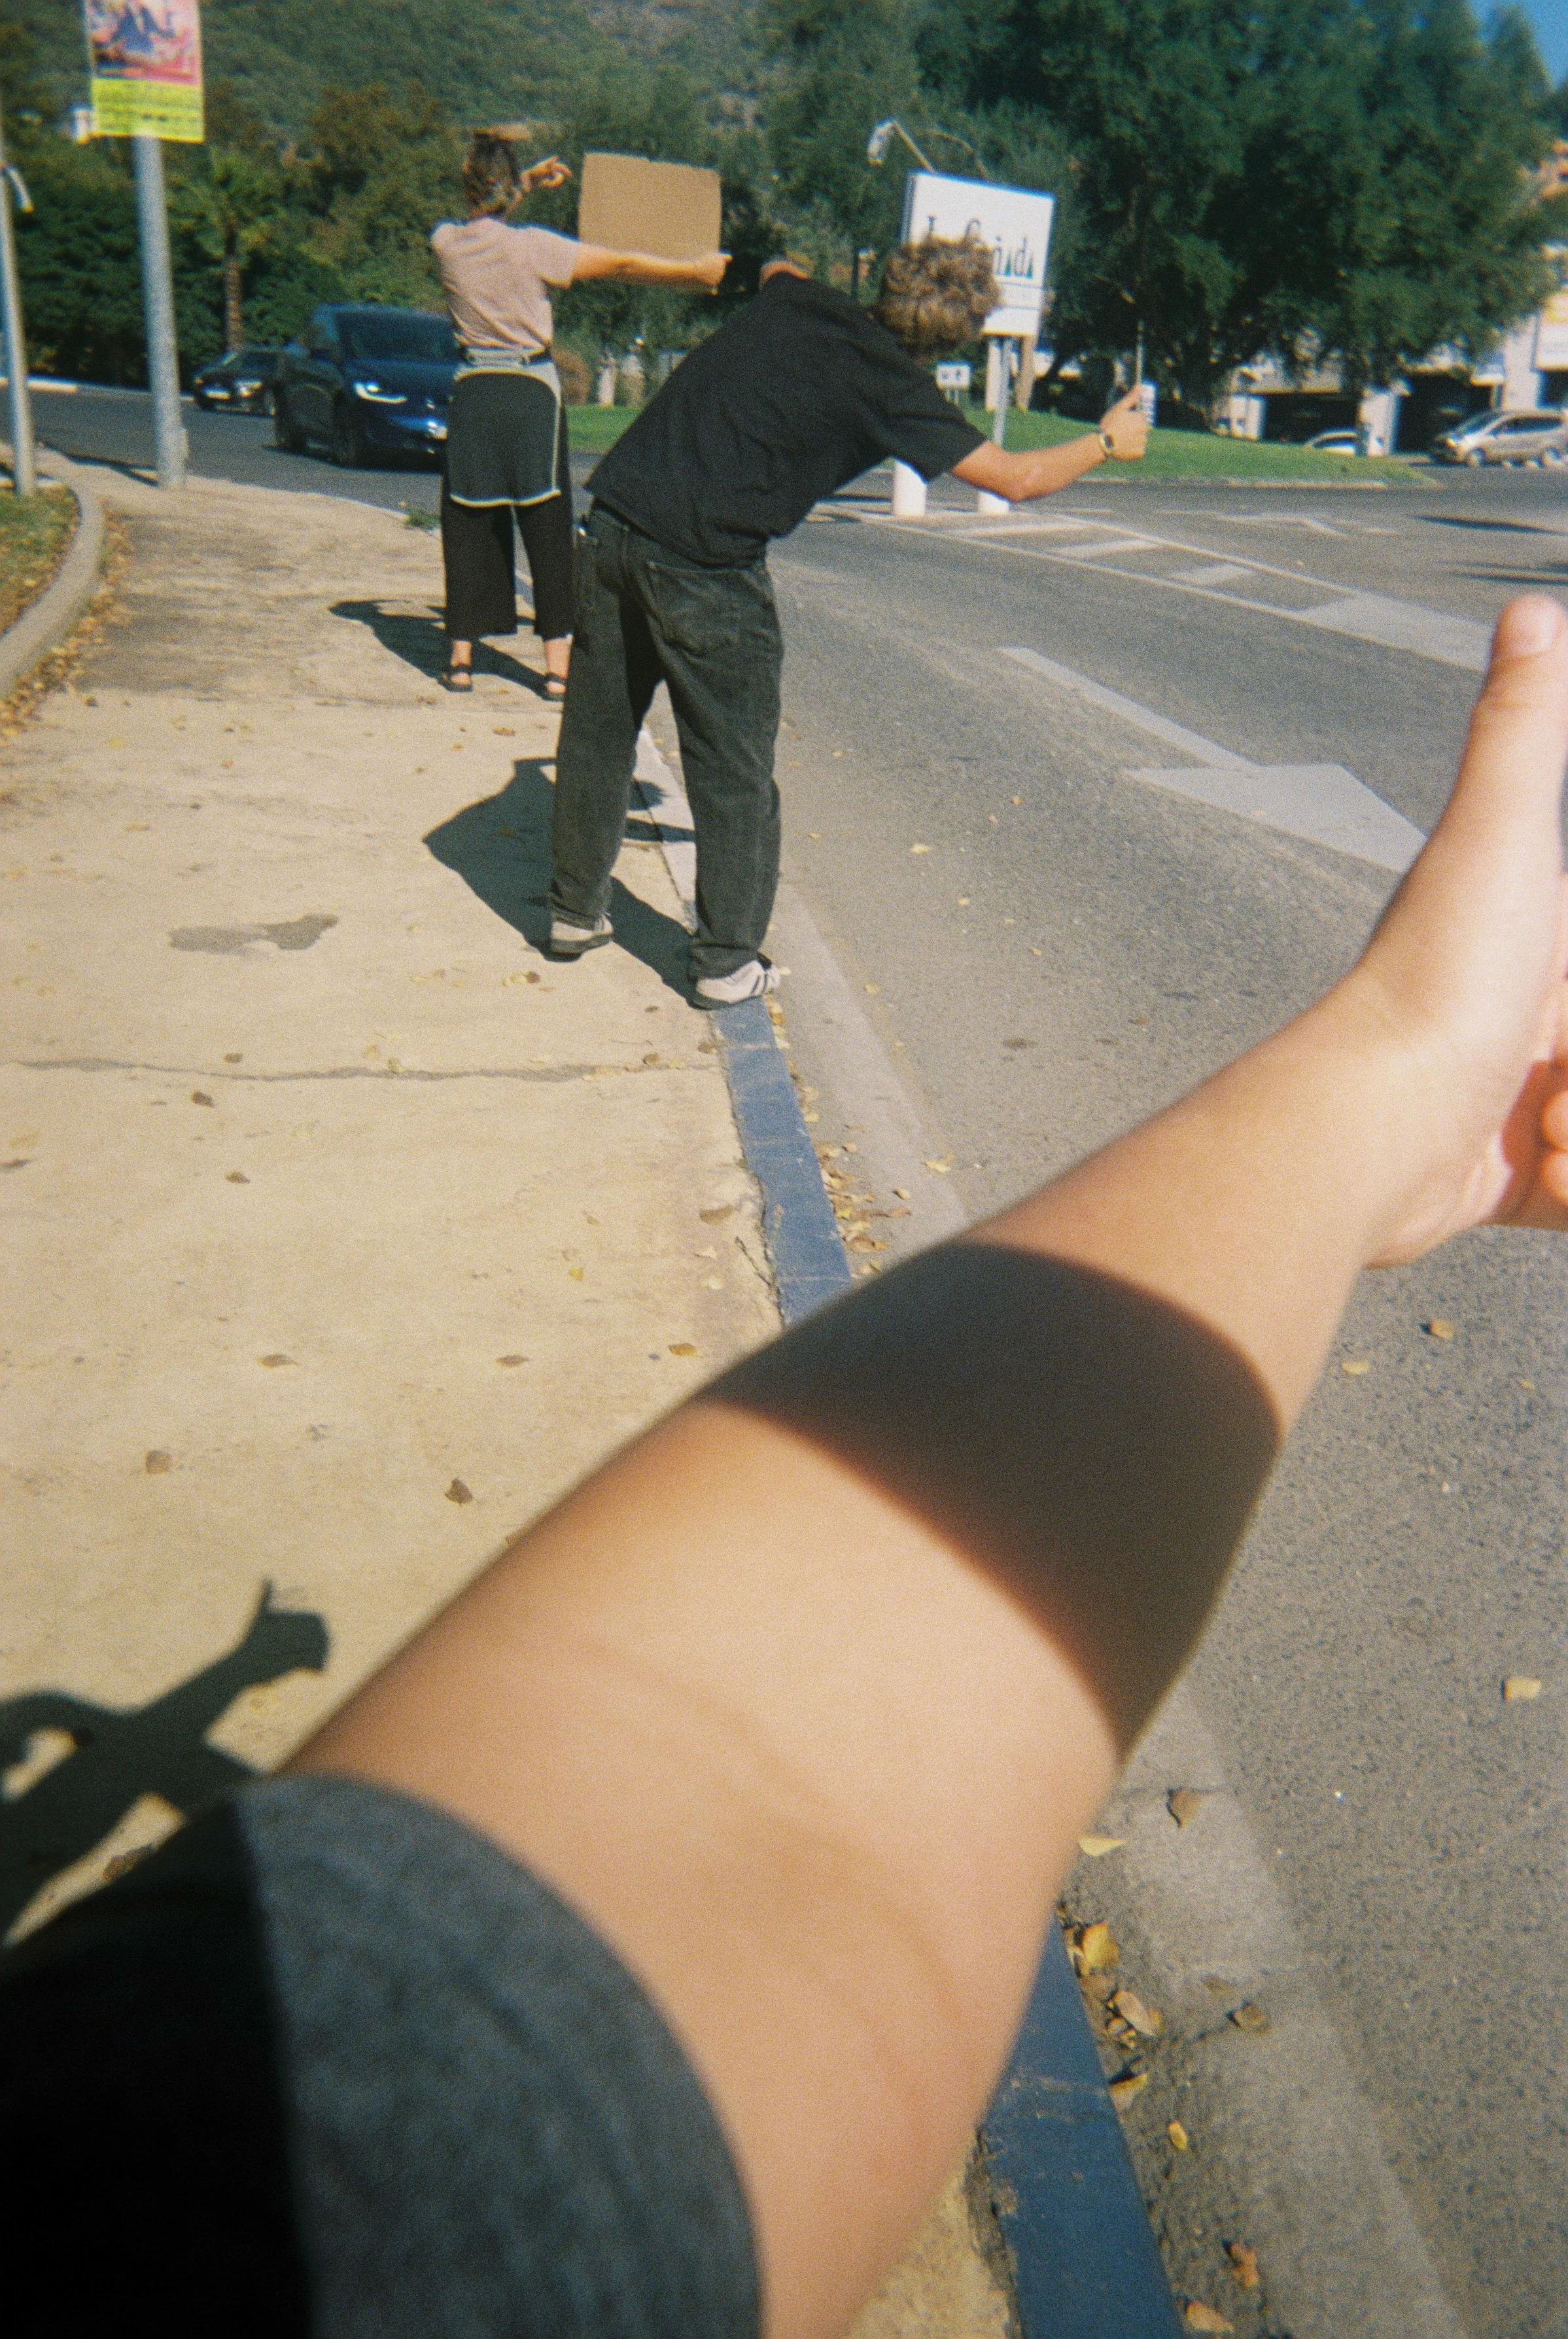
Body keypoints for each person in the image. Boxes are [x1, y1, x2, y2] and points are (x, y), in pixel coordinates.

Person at [5, 597, 1566, 2338]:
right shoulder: (265, 2179)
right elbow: (687, 1854)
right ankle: (722, 938)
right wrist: (1395, 1079)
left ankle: (593, 892)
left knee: (626, 710)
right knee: (725, 744)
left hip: (612, 544)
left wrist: (1391, 1105)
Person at [546, 237, 1149, 1004]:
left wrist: (772, 259)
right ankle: (725, 961)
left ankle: (573, 912)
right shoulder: (895, 388)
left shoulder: (801, 298)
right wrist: (1106, 441)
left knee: (598, 733)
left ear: (886, 279)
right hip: (706, 564)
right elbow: (1018, 478)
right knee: (732, 770)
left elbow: (775, 265)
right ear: (952, 339)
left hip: (614, 524)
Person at [431, 135, 727, 697]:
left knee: (465, 522)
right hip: (530, 393)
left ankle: (461, 659)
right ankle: (556, 669)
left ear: (466, 185)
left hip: (474, 391)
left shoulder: (444, 243)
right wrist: (693, 271)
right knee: (546, 524)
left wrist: (524, 183)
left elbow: (483, 209)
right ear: (509, 191)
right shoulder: (535, 248)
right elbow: (618, 261)